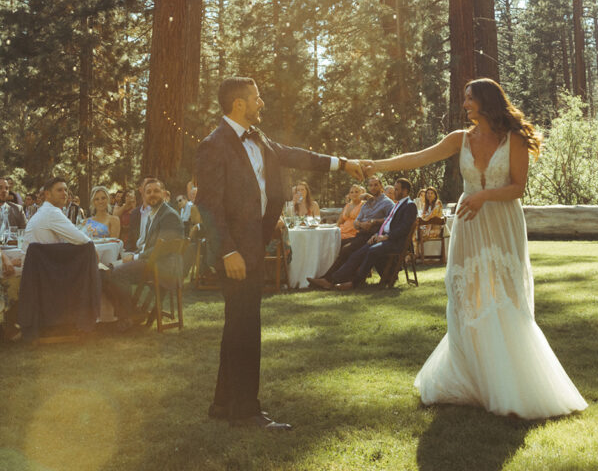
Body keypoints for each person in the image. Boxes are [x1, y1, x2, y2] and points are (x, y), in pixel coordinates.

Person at [363, 78, 587, 420]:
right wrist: (377, 165)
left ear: (485, 101)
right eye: (464, 99)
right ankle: (473, 377)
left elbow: (517, 188)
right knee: (465, 292)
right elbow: (419, 158)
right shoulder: (460, 139)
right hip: (469, 224)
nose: (464, 104)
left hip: (501, 221)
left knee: (505, 293)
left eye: (469, 98)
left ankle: (511, 379)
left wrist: (482, 195)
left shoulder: (513, 139)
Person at [195, 75, 363, 431]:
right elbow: (208, 206)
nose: (261, 103)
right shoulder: (214, 145)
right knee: (245, 328)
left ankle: (224, 403)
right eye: (256, 98)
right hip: (236, 252)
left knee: (237, 325)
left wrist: (342, 162)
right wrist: (227, 253)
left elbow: (297, 156)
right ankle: (246, 411)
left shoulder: (260, 139)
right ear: (239, 104)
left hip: (254, 244)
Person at [100, 178, 183, 330]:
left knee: (117, 273)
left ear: (164, 193)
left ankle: (126, 318)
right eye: (149, 192)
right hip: (153, 261)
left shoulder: (168, 215)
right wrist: (132, 254)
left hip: (164, 267)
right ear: (143, 195)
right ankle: (131, 311)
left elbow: (163, 248)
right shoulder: (155, 213)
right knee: (106, 271)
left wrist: (136, 257)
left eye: (156, 191)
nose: (152, 195)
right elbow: (148, 246)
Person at [311, 178, 417, 290]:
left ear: (405, 191)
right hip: (381, 237)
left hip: (395, 242)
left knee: (370, 250)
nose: (393, 191)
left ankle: (353, 283)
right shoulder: (398, 204)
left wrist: (385, 236)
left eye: (396, 189)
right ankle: (332, 280)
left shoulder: (409, 205)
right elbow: (388, 223)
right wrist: (377, 235)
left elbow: (404, 228)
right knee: (357, 253)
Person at [23, 178, 91, 245]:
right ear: (47, 194)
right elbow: (81, 239)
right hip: (39, 255)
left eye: (65, 190)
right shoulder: (51, 212)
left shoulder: (45, 210)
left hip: (36, 255)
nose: (64, 193)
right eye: (59, 190)